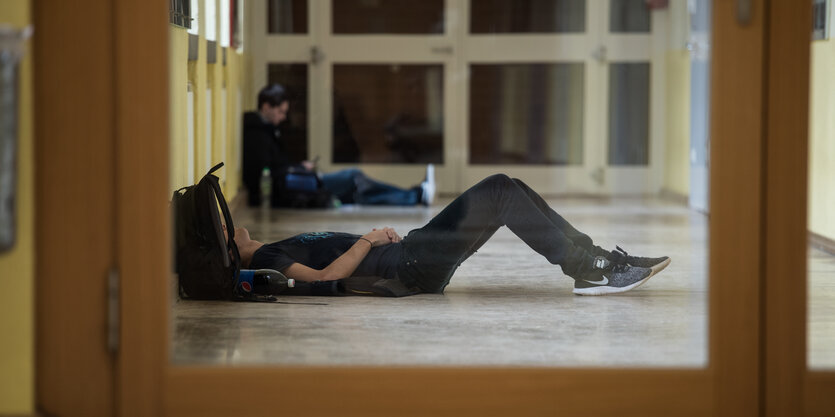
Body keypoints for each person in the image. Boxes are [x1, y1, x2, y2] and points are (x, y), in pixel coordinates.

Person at [231, 174, 671, 296]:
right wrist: (367, 240)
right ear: (229, 250)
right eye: (225, 231)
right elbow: (323, 280)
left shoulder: (270, 246)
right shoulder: (266, 259)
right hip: (410, 264)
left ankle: (596, 259)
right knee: (498, 189)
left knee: (509, 187)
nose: (233, 225)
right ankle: (588, 270)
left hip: (412, 253)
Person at [242, 84, 435, 208]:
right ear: (266, 107)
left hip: (297, 181)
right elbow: (268, 172)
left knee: (359, 190)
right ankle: (416, 194)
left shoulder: (265, 131)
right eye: (280, 112)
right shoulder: (258, 136)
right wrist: (300, 168)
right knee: (354, 178)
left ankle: (416, 194)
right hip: (296, 186)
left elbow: (276, 166)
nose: (283, 118)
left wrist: (300, 166)